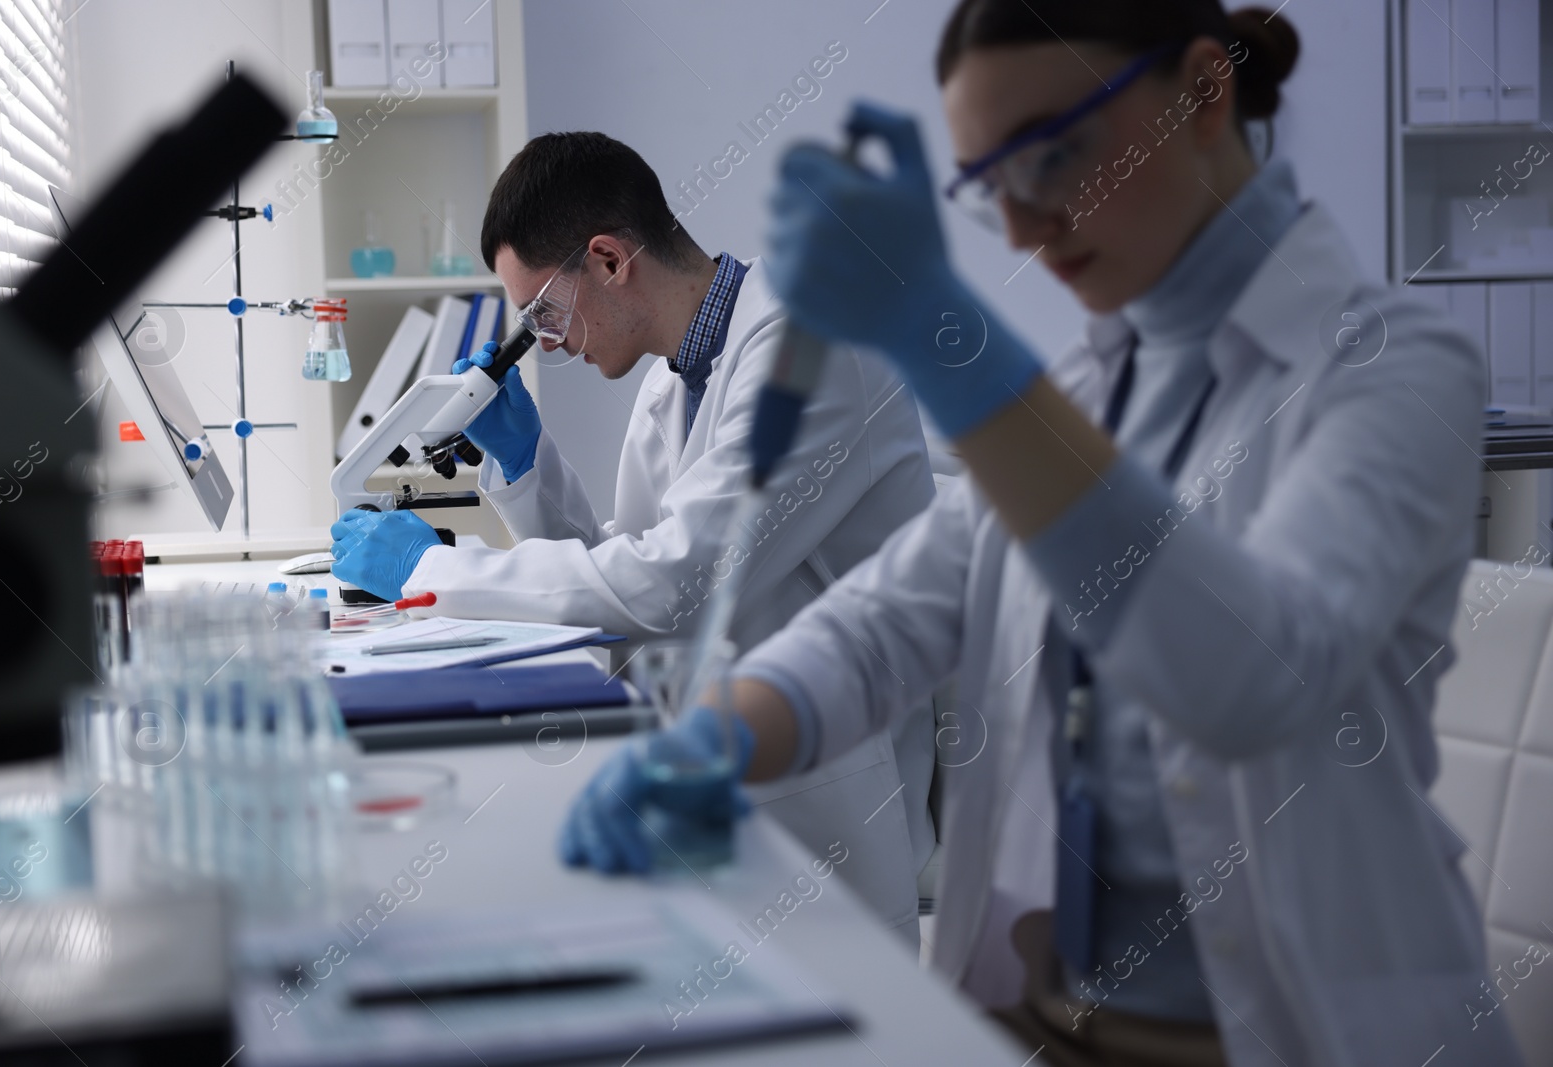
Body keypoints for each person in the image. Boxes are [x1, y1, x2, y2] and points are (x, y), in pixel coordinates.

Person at [557, 3, 1528, 1065]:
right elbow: (885, 622)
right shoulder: (1084, 390)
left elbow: (1253, 680)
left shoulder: (1392, 367)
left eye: (1051, 154)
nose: (1020, 227)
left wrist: (944, 335)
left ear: (1203, 93)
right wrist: (716, 736)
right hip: (1045, 1010)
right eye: (986, 186)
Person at [330, 132, 937, 939]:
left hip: (825, 800)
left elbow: (670, 587)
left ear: (611, 260)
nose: (543, 339)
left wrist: (428, 566)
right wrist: (527, 464)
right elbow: (626, 571)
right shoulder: (676, 375)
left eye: (542, 309)